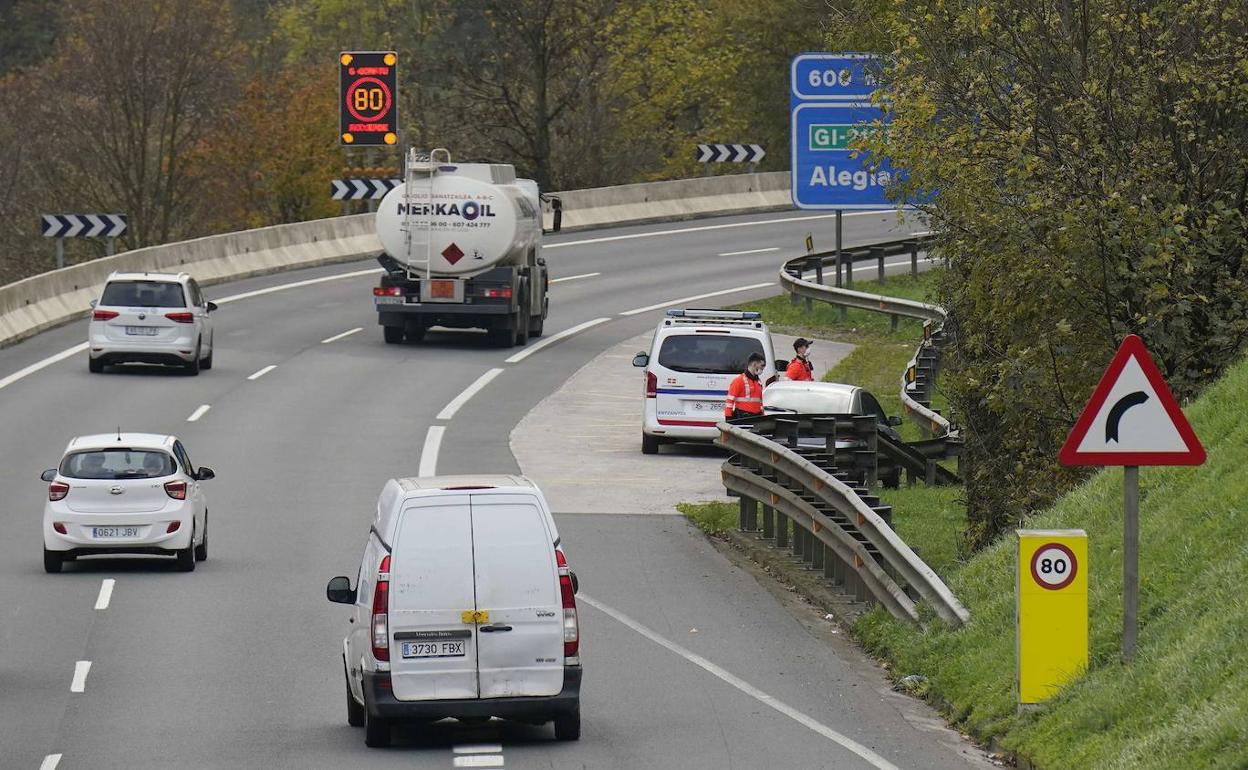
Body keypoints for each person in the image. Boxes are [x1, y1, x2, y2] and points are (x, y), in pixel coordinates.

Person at [725, 352, 766, 420]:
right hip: (743, 417)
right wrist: (728, 417)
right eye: (762, 365)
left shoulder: (758, 381)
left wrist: (762, 414)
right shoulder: (739, 381)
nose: (763, 368)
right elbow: (730, 401)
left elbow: (760, 402)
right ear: (754, 364)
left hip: (757, 417)